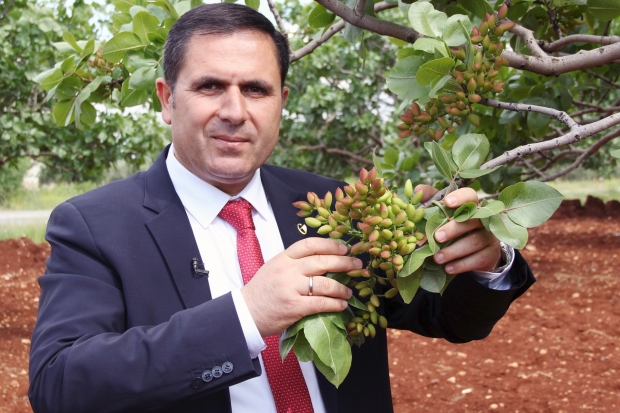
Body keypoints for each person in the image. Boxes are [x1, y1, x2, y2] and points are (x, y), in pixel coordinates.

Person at [28, 3, 534, 413]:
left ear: (281, 101)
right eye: (210, 86)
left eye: (256, 89)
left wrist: (483, 263)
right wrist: (245, 316)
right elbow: (59, 384)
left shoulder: (340, 208)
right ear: (167, 99)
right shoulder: (95, 226)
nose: (234, 111)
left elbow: (452, 319)